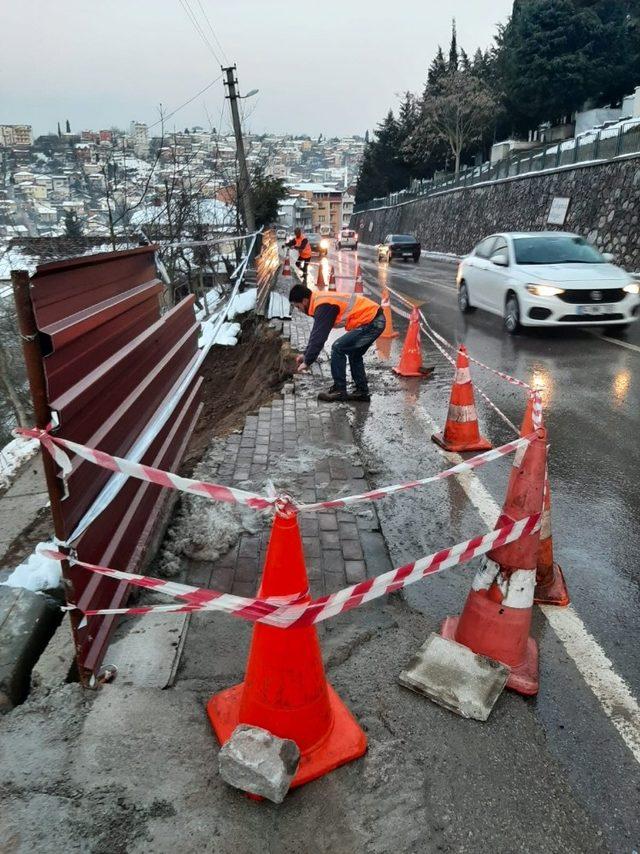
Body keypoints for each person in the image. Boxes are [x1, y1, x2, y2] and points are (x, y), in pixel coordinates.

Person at [288, 283, 385, 402]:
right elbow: (316, 332)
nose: (300, 310)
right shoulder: (318, 301)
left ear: (304, 301)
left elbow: (319, 336)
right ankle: (362, 392)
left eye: (298, 306)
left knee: (338, 347)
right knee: (355, 353)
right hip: (374, 319)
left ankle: (339, 390)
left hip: (372, 321)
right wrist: (306, 354)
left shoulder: (323, 305)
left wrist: (308, 360)